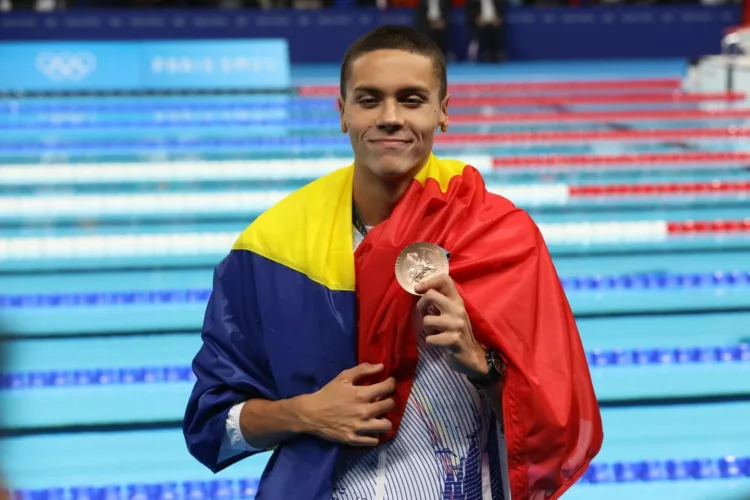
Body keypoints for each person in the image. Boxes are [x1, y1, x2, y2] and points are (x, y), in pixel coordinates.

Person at [183, 25, 603, 500]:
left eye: (411, 99)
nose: (389, 117)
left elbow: (556, 421)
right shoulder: (272, 248)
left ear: (443, 112)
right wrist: (304, 413)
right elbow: (210, 426)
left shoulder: (500, 237)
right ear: (341, 113)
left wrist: (483, 365)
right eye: (369, 100)